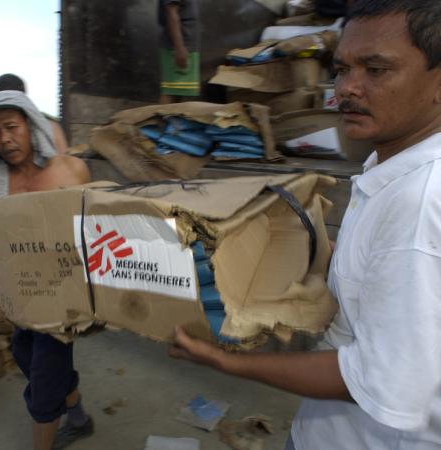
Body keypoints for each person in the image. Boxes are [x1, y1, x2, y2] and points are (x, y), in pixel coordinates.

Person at [169, 1, 441, 449]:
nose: (346, 89)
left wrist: (226, 362)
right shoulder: (389, 166)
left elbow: (380, 383)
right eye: (341, 69)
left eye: (376, 70)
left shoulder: (419, 202)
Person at [0, 90, 93, 450]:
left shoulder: (69, 170)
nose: (4, 139)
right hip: (19, 293)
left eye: (11, 127)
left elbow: (97, 228)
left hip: (65, 297)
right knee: (24, 354)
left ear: (30, 126)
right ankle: (80, 417)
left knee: (43, 385)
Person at [0, 73, 69, 154]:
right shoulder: (50, 126)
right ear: (24, 93)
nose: (4, 139)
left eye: (12, 126)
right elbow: (64, 158)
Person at [158, 0, 200, 104]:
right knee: (170, 92)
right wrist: (179, 48)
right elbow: (171, 12)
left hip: (187, 45)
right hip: (179, 47)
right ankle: (162, 119)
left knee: (178, 92)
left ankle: (171, 120)